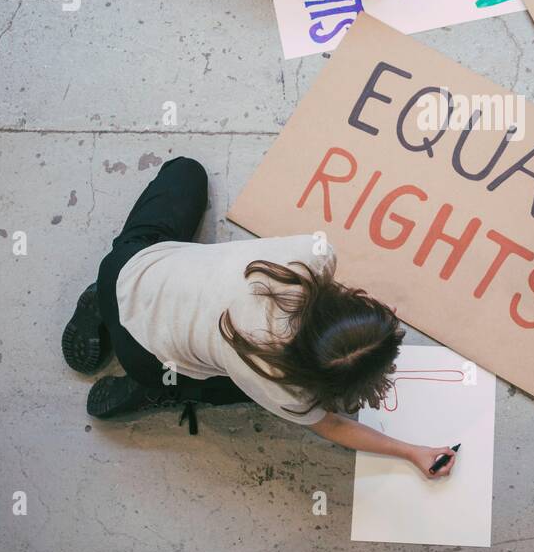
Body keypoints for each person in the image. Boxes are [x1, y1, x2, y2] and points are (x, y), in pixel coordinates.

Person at [61, 156, 456, 479]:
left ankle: (99, 301)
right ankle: (162, 388)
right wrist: (412, 452)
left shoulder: (309, 257)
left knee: (186, 171)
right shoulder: (281, 384)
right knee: (234, 390)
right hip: (146, 358)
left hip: (130, 268)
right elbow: (333, 425)